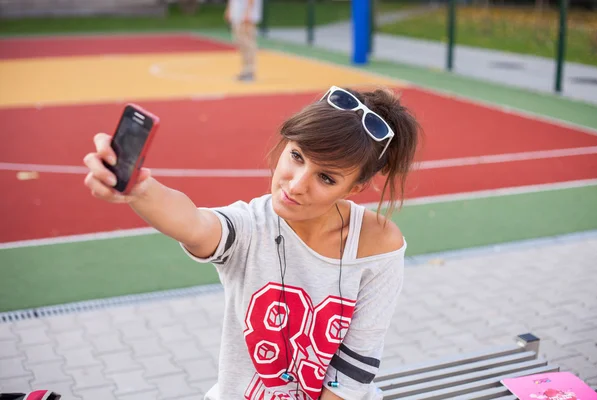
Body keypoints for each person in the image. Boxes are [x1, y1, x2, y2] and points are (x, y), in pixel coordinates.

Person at [83, 85, 421, 399]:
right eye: (297, 156)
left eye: (326, 177)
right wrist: (141, 190)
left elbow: (355, 365)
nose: (297, 184)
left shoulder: (379, 244)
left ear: (353, 189)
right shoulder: (251, 226)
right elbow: (196, 225)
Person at [224, 0, 263, 81]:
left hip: (245, 15)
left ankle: (250, 70)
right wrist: (229, 10)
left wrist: (247, 13)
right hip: (238, 15)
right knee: (241, 42)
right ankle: (245, 69)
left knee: (247, 42)